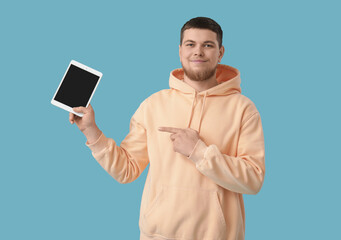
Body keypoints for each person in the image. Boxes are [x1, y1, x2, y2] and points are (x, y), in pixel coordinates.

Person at [69, 17, 265, 240]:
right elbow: (127, 169)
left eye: (207, 45)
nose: (198, 52)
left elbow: (253, 179)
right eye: (190, 44)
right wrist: (91, 131)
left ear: (220, 53)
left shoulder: (243, 109)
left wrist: (199, 152)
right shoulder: (153, 104)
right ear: (180, 50)